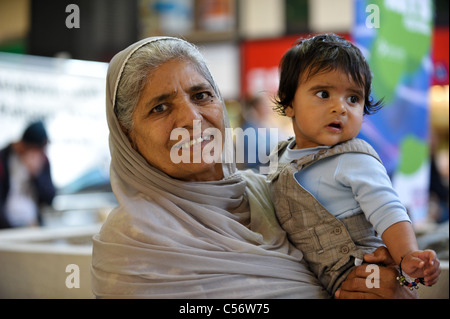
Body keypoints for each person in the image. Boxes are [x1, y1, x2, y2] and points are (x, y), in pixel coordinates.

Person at [91, 35, 417, 299]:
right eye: (160, 107)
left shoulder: (271, 190)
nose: (191, 119)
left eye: (202, 95)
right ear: (128, 138)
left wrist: (385, 281)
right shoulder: (132, 241)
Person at [268, 33, 441, 296]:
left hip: (371, 279)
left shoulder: (353, 158)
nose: (341, 108)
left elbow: (388, 210)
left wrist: (408, 257)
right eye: (323, 94)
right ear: (289, 101)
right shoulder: (277, 159)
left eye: (353, 98)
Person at [0, 121, 56, 228]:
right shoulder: (4, 159)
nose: (36, 155)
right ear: (23, 145)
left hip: (33, 225)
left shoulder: (43, 161)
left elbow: (49, 198)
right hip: (6, 229)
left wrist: (36, 175)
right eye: (33, 149)